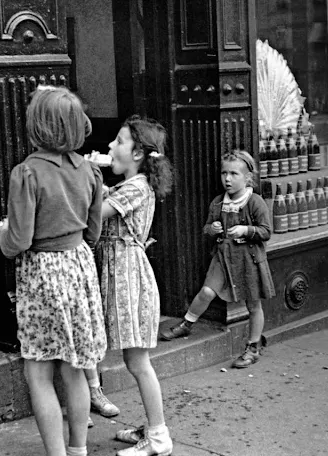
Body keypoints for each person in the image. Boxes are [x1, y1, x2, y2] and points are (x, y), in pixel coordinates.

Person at [0, 85, 107, 456]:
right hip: (78, 267)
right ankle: (78, 449)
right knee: (74, 367)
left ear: (36, 125)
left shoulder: (27, 173)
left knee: (39, 371)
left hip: (42, 275)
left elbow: (20, 240)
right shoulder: (91, 172)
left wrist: (3, 234)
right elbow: (93, 233)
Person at [93, 115, 174, 456]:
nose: (111, 146)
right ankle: (151, 426)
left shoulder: (136, 187)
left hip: (129, 277)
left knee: (138, 362)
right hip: (122, 275)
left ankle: (158, 437)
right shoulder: (132, 185)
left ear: (138, 153)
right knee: (134, 360)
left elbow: (93, 212)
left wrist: (88, 173)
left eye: (119, 142)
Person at [159, 150, 275, 369]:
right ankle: (187, 322)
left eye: (234, 174)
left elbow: (266, 231)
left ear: (247, 177)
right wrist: (211, 229)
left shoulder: (254, 202)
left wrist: (246, 229)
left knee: (253, 304)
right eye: (224, 173)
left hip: (249, 259)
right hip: (223, 257)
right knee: (206, 292)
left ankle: (253, 347)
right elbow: (206, 228)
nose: (227, 179)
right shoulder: (218, 203)